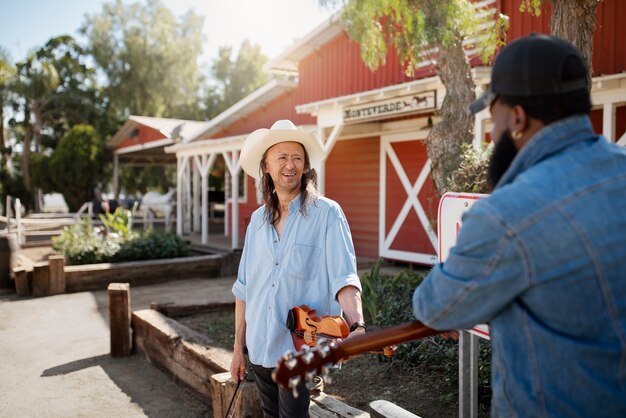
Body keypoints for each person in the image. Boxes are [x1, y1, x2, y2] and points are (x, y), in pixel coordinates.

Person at [413, 34, 626, 417]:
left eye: (493, 117)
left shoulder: (504, 217)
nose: (492, 133)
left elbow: (435, 307)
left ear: (516, 118)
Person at [230, 119, 366, 418]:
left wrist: (357, 324)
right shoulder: (256, 221)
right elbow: (244, 289)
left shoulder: (328, 214)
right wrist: (239, 348)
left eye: (297, 158)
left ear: (305, 167)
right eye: (281, 157)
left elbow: (344, 278)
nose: (289, 165)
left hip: (299, 348)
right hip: (260, 347)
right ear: (266, 166)